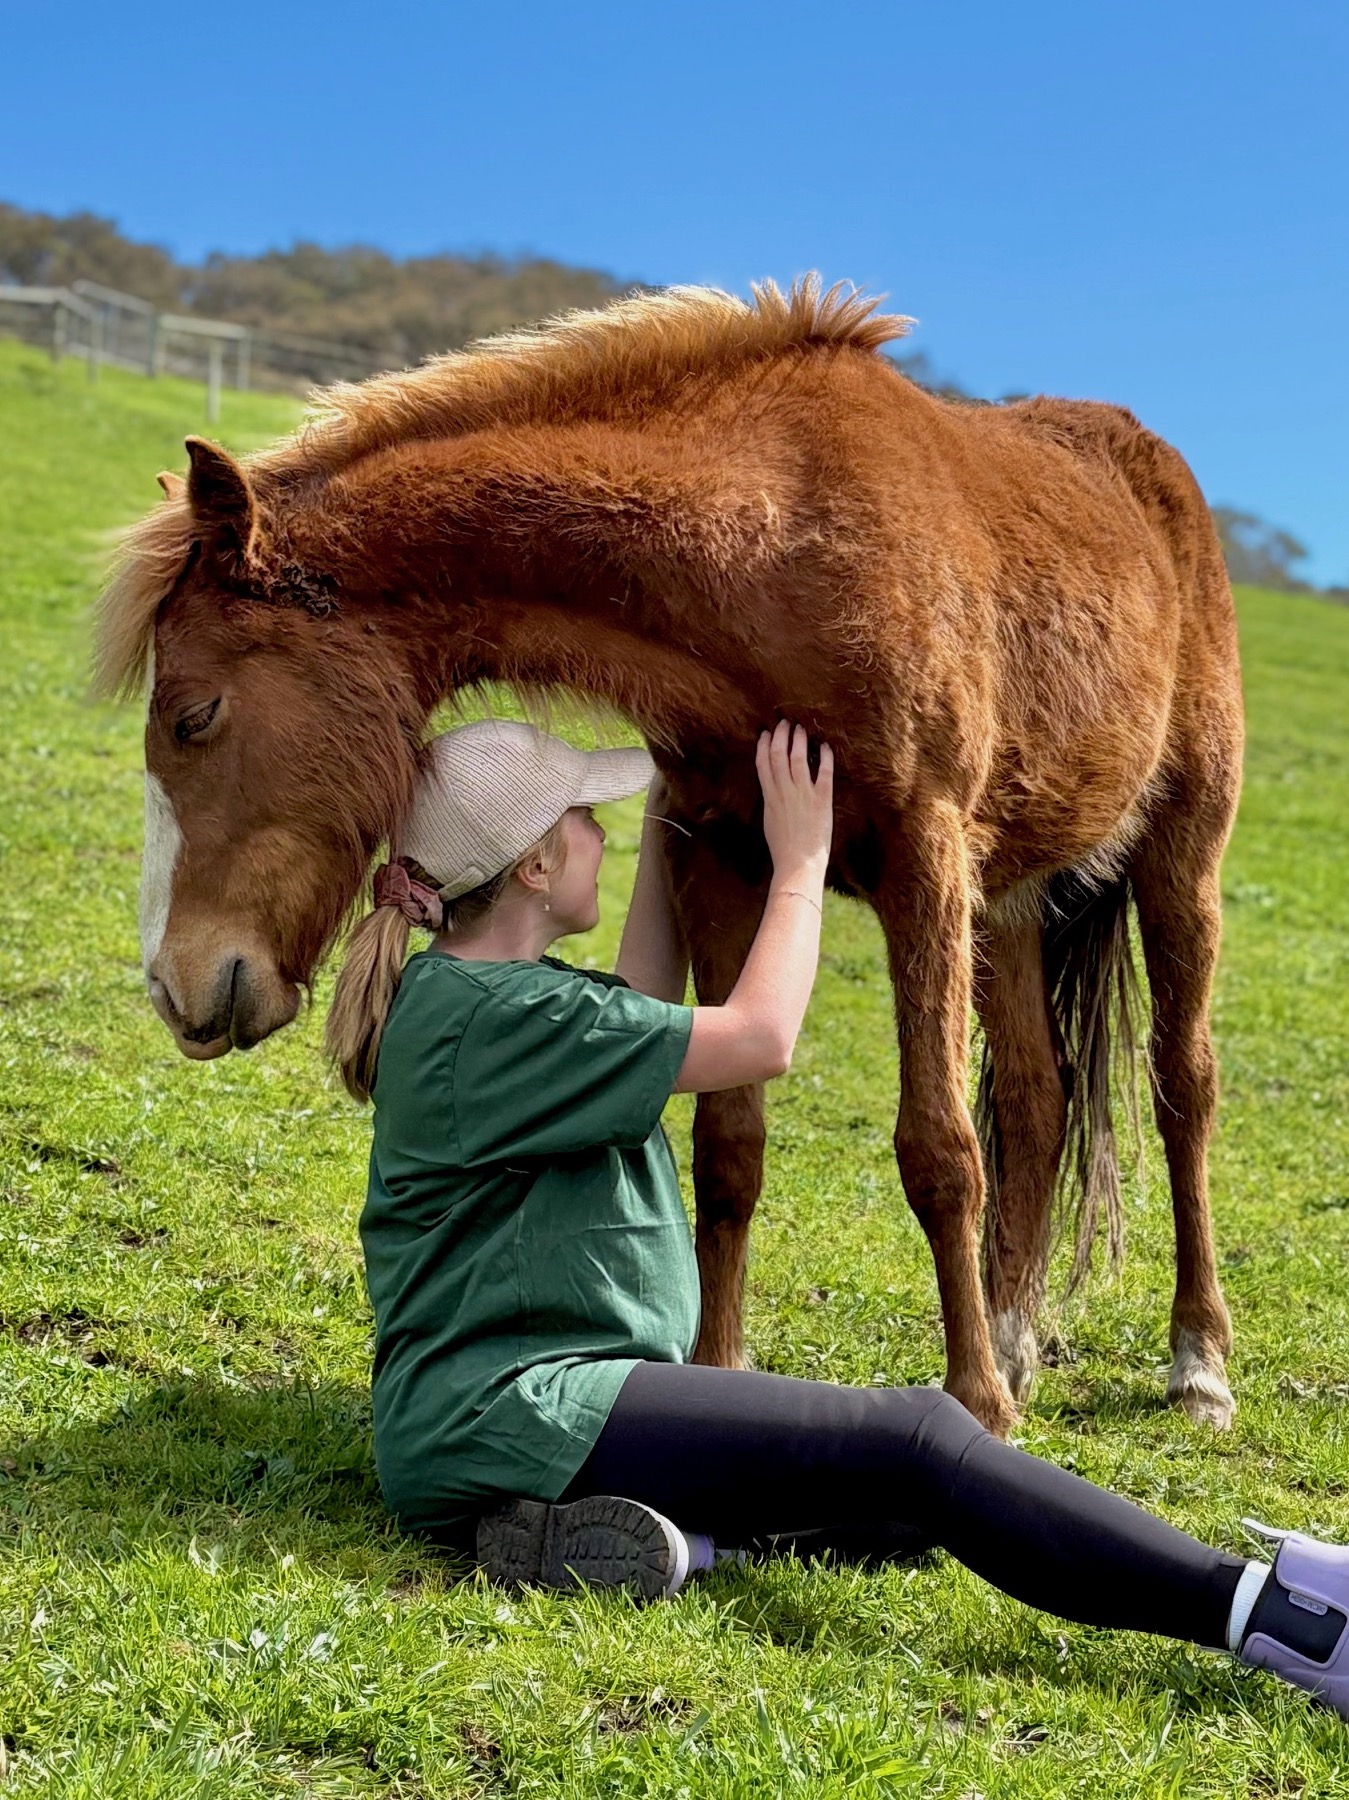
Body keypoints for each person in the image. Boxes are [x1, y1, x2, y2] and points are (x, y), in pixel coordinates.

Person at [327, 715, 1349, 1718]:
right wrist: (800, 860)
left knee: (909, 1510)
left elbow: (642, 992)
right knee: (920, 1442)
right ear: (535, 869)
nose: (603, 830)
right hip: (517, 1409)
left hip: (538, 1409)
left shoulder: (485, 997)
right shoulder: (505, 1020)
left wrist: (676, 821)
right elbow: (759, 1036)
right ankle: (1288, 1622)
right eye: (583, 818)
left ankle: (643, 1543)